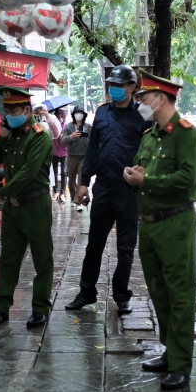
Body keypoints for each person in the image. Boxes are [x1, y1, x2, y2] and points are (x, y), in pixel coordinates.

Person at [126, 69, 196, 390]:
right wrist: (132, 175)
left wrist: (148, 181)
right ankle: (170, 352)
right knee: (158, 291)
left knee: (180, 294)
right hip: (150, 224)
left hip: (175, 223)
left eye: (144, 97)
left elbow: (187, 179)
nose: (140, 101)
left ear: (161, 99)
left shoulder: (187, 135)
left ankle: (182, 364)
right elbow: (140, 171)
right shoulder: (149, 136)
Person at [67, 65, 149, 315]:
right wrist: (83, 183)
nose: (113, 89)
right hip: (102, 188)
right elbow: (92, 151)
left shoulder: (143, 116)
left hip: (128, 192)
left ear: (132, 88)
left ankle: (121, 294)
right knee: (94, 244)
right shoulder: (101, 114)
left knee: (126, 247)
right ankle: (86, 291)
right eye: (111, 85)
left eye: (119, 86)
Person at [0, 87, 55, 328]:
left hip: (35, 205)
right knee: (8, 260)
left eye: (12, 110)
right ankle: (1, 307)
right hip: (13, 209)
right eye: (6, 111)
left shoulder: (40, 136)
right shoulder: (11, 135)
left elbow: (27, 174)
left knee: (42, 259)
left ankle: (40, 308)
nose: (8, 115)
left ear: (26, 110)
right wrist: (1, 136)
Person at [62, 105, 91, 212]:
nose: (79, 115)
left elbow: (93, 140)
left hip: (84, 156)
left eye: (81, 113)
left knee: (80, 179)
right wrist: (71, 137)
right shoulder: (69, 126)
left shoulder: (88, 127)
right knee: (71, 179)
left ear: (84, 115)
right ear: (73, 115)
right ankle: (73, 197)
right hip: (72, 156)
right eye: (77, 113)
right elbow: (63, 140)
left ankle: (78, 201)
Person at [53, 108, 70, 202]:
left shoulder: (67, 126)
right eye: (58, 116)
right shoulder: (53, 125)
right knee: (54, 172)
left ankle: (62, 193)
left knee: (64, 172)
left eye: (61, 116)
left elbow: (70, 139)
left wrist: (64, 137)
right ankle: (55, 191)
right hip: (54, 152)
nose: (60, 118)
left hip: (64, 152)